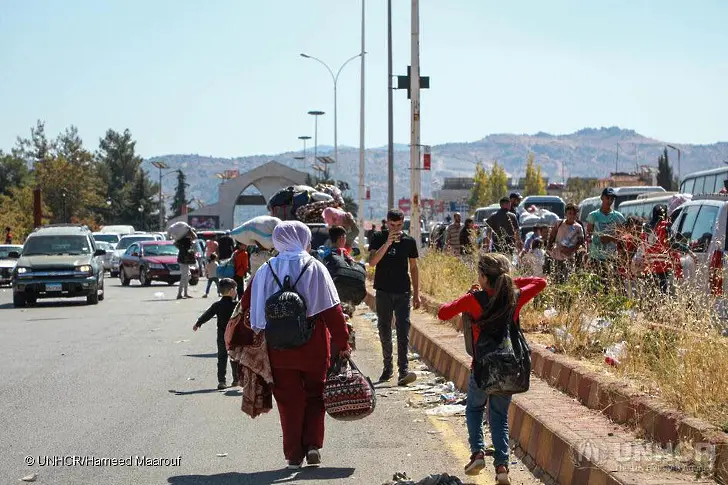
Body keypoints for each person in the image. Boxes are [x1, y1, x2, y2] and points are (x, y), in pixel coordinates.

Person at [249, 220, 350, 469]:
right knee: (316, 394)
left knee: (287, 399)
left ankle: (294, 455)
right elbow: (332, 309)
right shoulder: (315, 267)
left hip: (278, 347)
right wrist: (342, 341)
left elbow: (255, 317)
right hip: (314, 344)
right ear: (304, 238)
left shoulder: (265, 270)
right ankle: (313, 445)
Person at [437, 254, 546, 483]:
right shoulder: (514, 297)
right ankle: (502, 468)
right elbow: (540, 282)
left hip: (482, 368)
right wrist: (508, 281)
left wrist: (469, 295)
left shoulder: (473, 300)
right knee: (499, 418)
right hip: (508, 369)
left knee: (474, 409)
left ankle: (477, 452)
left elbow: (443, 312)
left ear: (484, 277)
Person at [368, 208, 420, 386]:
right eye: (392, 225)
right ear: (387, 222)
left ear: (403, 222)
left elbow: (413, 267)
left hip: (403, 291)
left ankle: (403, 370)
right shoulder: (378, 237)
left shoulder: (409, 241)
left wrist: (417, 294)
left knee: (403, 330)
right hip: (383, 290)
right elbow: (372, 262)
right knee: (384, 328)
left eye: (399, 225)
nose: (396, 228)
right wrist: (387, 243)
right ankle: (387, 367)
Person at [193, 278, 239, 389]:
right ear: (232, 291)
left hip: (221, 336)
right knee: (234, 357)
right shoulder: (237, 305)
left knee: (222, 357)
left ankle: (222, 381)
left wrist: (198, 323)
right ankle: (236, 379)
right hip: (234, 336)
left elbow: (208, 314)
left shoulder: (217, 305)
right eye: (236, 289)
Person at [585, 188, 626, 290]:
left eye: (612, 199)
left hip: (611, 256)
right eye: (608, 198)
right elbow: (588, 234)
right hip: (596, 255)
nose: (610, 201)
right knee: (596, 285)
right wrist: (587, 252)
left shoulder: (618, 216)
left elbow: (623, 237)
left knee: (611, 285)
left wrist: (610, 238)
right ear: (602, 198)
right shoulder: (593, 215)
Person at [546, 203, 585, 283]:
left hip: (569, 257)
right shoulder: (559, 223)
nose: (572, 216)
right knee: (555, 278)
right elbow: (552, 236)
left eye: (574, 214)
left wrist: (571, 249)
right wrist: (549, 248)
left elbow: (580, 242)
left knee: (567, 279)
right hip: (556, 256)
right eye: (570, 213)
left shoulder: (578, 227)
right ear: (565, 214)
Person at [175, 229, 197, 299]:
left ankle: (185, 293)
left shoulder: (183, 239)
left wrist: (181, 249)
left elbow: (175, 243)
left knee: (187, 276)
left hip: (183, 260)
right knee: (184, 276)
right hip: (184, 260)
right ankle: (180, 294)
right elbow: (195, 236)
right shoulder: (185, 239)